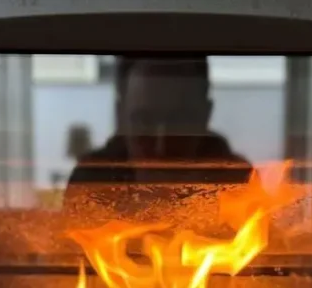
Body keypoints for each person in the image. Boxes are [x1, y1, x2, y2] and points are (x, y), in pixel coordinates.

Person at [64, 57, 252, 217]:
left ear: (206, 114)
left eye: (178, 121)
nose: (160, 146)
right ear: (120, 114)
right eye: (144, 121)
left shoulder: (238, 183)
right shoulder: (90, 183)